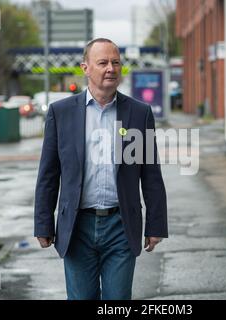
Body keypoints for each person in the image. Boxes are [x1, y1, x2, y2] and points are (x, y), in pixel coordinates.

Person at [34, 38, 168, 300]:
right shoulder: (61, 113)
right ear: (85, 68)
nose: (111, 68)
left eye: (116, 62)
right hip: (76, 227)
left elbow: (151, 173)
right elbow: (48, 174)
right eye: (103, 62)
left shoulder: (139, 113)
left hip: (121, 226)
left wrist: (156, 224)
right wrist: (43, 223)